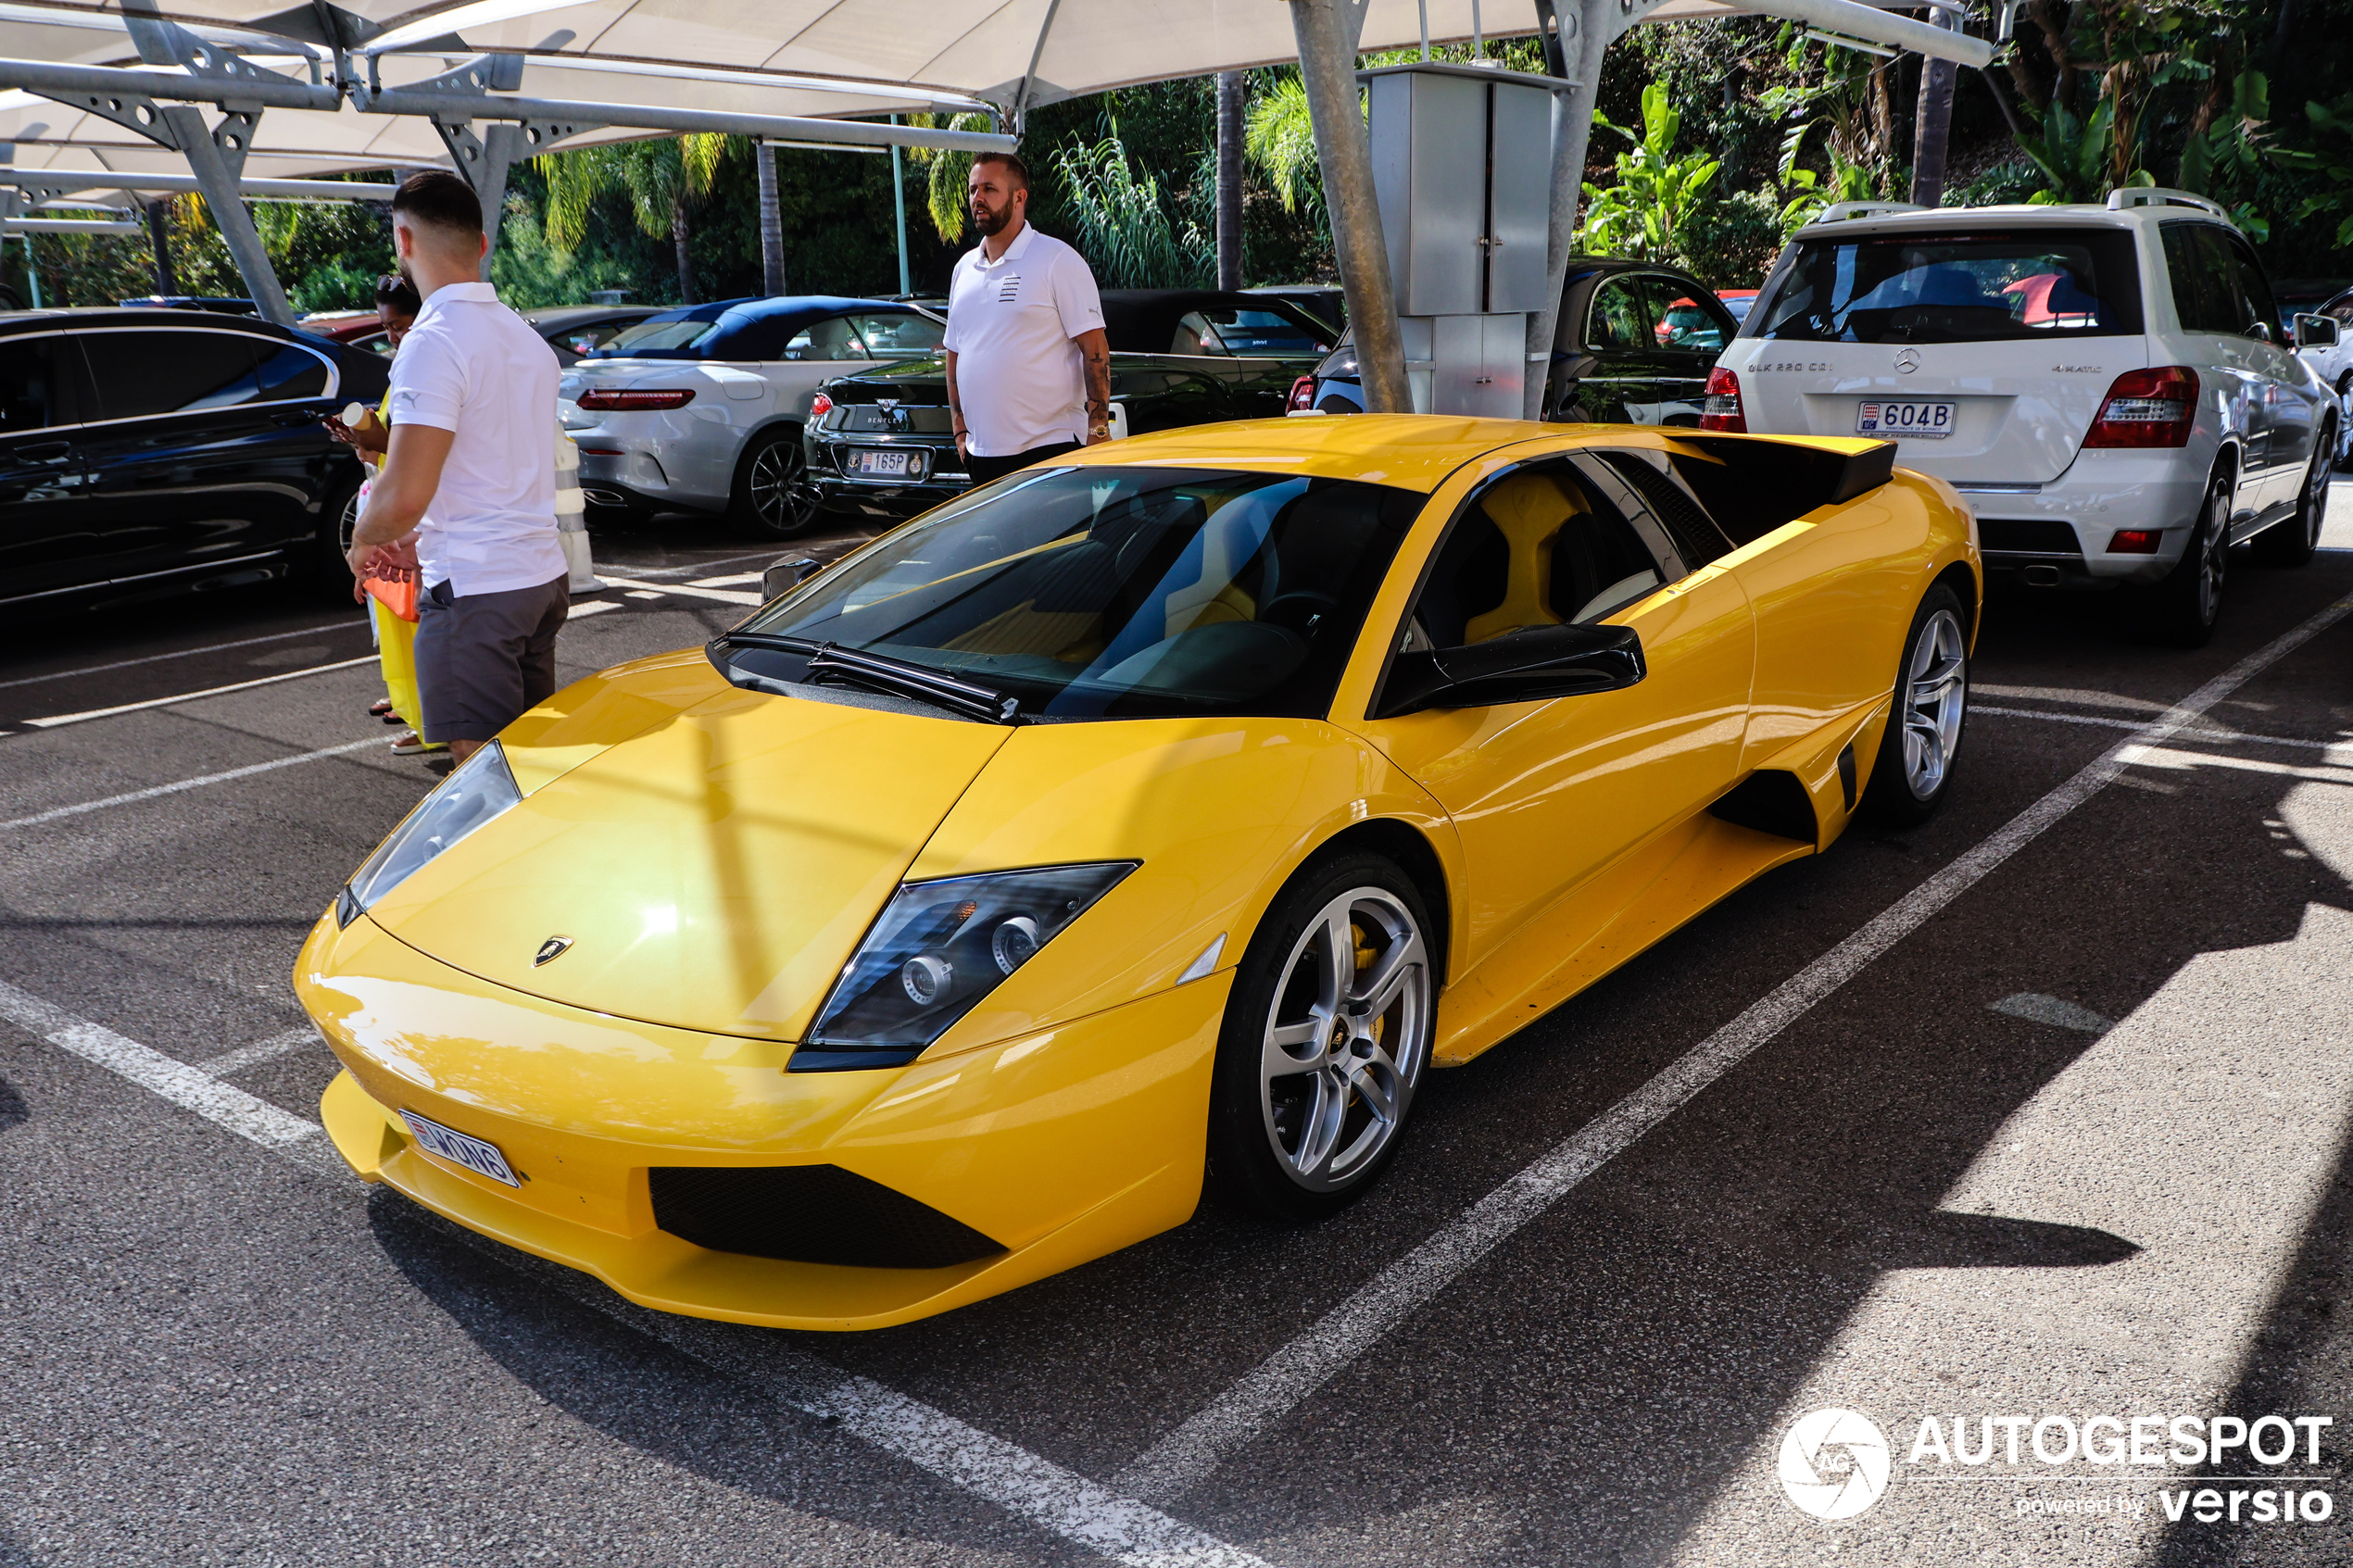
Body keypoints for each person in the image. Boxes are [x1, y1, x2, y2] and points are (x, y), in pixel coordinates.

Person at [346, 170, 568, 767]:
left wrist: (365, 538)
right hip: (538, 579)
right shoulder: (526, 340)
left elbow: (406, 493)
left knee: (481, 774)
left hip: (476, 592)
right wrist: (419, 541)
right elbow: (494, 472)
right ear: (483, 244)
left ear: (403, 241)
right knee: (527, 764)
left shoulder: (433, 341)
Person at [942, 152, 1114, 487]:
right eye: (973, 189)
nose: (978, 198)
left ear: (1019, 197)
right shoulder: (963, 269)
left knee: (1057, 543)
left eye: (989, 189)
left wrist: (1098, 431)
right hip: (981, 457)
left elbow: (1095, 348)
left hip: (1050, 451)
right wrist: (959, 429)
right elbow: (954, 352)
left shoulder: (1057, 260)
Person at [325, 272, 439, 757]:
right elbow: (394, 441)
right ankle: (410, 705)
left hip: (413, 517)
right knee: (394, 620)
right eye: (388, 328)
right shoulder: (406, 370)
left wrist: (377, 442)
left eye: (402, 325)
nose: (394, 336)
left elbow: (417, 447)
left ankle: (430, 722)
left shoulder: (430, 364)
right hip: (392, 507)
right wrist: (365, 440)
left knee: (413, 623)